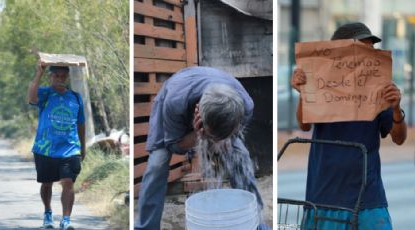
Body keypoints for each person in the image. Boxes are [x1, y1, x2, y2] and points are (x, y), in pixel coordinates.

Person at [291, 22, 407, 229]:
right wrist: (304, 93)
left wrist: (397, 109)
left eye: (371, 50)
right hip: (323, 196)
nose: (369, 56)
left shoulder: (379, 89)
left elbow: (399, 138)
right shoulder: (321, 82)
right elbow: (304, 125)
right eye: (363, 49)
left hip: (368, 198)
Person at [134, 66, 267, 230]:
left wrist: (223, 140)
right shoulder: (174, 103)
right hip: (176, 95)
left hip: (215, 101)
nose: (215, 142)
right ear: (197, 113)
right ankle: (145, 226)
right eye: (211, 136)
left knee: (241, 156)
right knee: (157, 164)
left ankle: (255, 222)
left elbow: (231, 137)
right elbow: (174, 146)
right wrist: (197, 135)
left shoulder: (245, 106)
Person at [28, 60, 86, 230]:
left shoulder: (75, 97)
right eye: (56, 76)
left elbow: (81, 123)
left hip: (70, 148)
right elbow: (31, 98)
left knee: (68, 182)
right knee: (46, 183)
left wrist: (82, 147)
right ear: (51, 77)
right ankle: (48, 213)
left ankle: (66, 220)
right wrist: (38, 73)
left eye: (63, 76)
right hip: (45, 148)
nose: (60, 79)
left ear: (67, 77)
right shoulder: (45, 93)